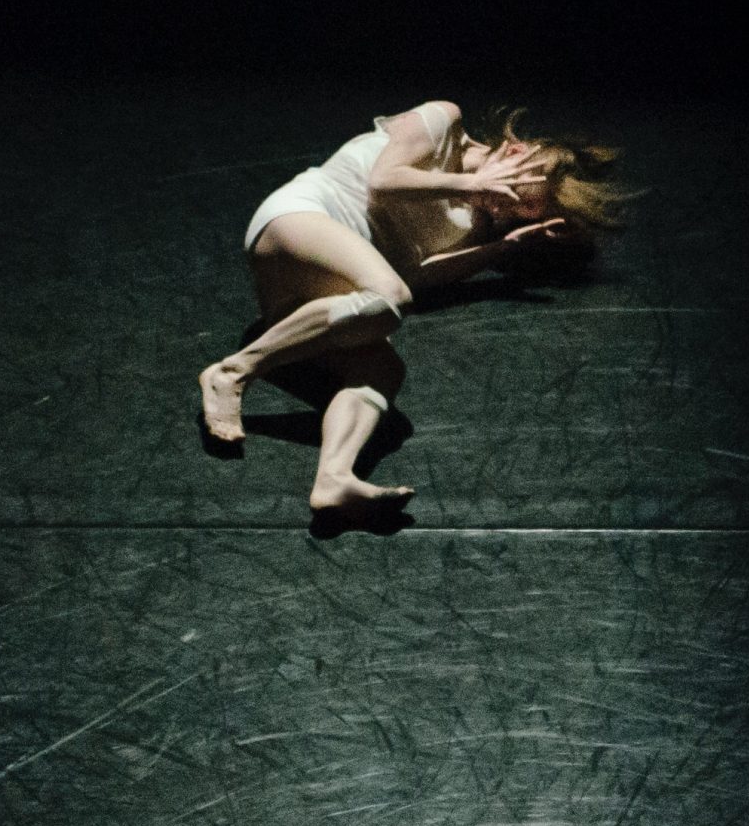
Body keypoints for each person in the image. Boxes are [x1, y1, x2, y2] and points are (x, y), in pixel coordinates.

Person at [196, 101, 630, 519]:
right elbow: (384, 180)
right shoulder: (443, 123)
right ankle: (234, 371)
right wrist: (470, 184)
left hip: (304, 293)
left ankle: (333, 479)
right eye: (519, 194)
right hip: (295, 219)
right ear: (516, 153)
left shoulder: (473, 223)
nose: (510, 209)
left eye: (524, 212)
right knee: (389, 297)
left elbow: (416, 278)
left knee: (385, 369)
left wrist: (500, 249)